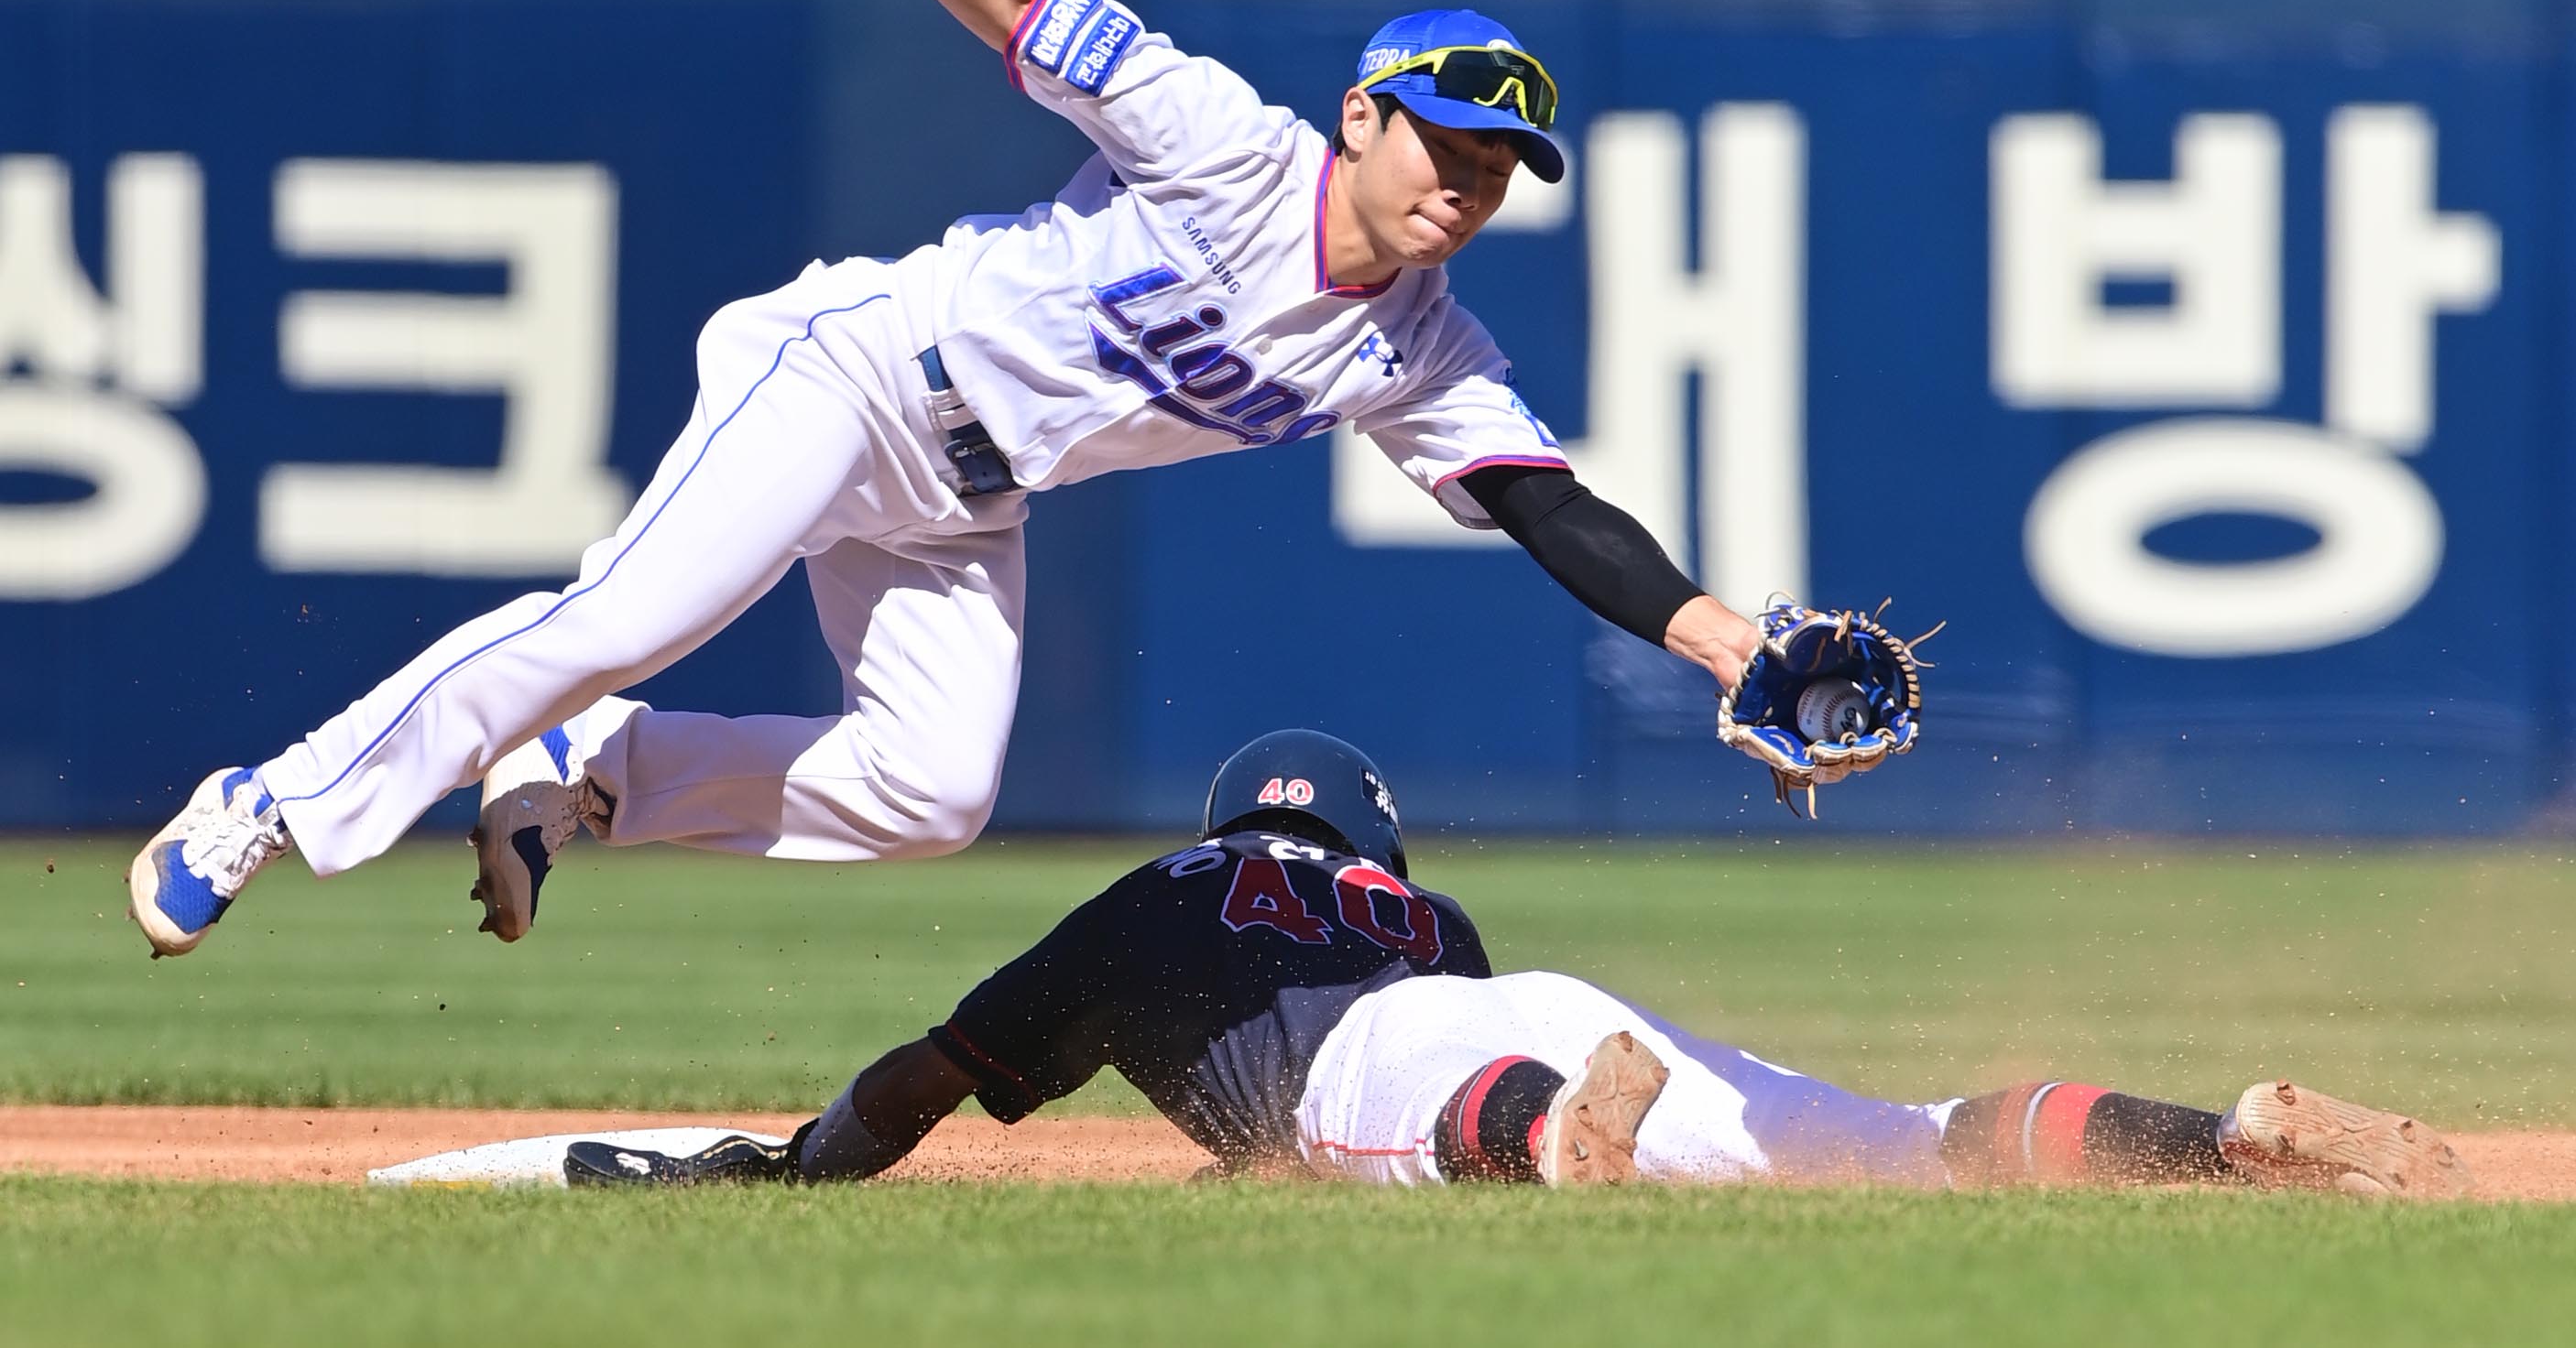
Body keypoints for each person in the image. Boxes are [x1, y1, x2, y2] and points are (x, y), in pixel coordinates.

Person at [126, 0, 1872, 960]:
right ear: (1364, 116)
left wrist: (1727, 642)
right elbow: (1024, 4)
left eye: (1501, 168)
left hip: (967, 499)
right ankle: (270, 799)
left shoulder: (1421, 349)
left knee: (932, 787)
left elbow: (1549, 507)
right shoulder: (1226, 144)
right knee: (621, 618)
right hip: (860, 373)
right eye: (1451, 142)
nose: (1472, 182)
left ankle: (589, 780)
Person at [554, 730, 2472, 1199]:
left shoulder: (1151, 891)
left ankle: (1552, 1139)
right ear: (1366, 841)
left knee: (1426, 1135)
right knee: (1893, 1138)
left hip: (1392, 1069)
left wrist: (800, 1164)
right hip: (1541, 999)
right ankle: (2219, 1139)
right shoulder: (1424, 912)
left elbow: (927, 1078)